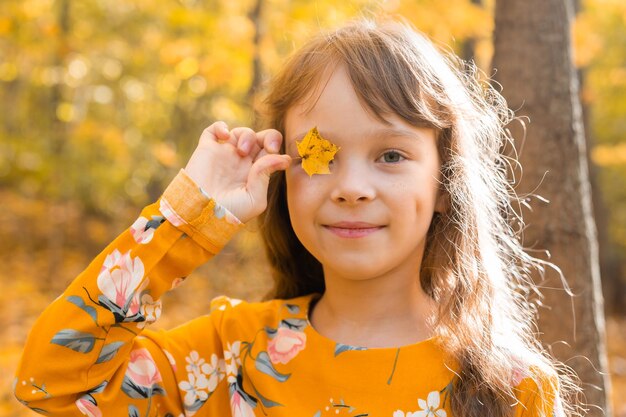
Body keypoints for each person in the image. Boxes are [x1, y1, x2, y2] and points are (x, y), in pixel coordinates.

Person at [15, 17, 577, 417]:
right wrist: (187, 216)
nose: (352, 189)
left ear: (445, 184)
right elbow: (51, 382)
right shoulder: (228, 355)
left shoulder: (511, 389)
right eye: (318, 154)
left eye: (391, 155)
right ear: (283, 175)